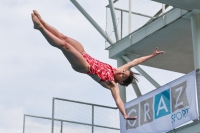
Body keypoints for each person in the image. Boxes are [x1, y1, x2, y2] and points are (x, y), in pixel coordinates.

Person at [31, 10, 165, 120]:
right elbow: (135, 62)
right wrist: (152, 55)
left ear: (122, 83)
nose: (122, 72)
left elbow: (118, 101)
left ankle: (40, 28)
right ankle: (42, 21)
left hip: (84, 66)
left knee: (65, 46)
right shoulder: (117, 70)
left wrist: (124, 114)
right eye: (124, 71)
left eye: (123, 76)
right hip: (84, 54)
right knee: (64, 37)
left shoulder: (113, 85)